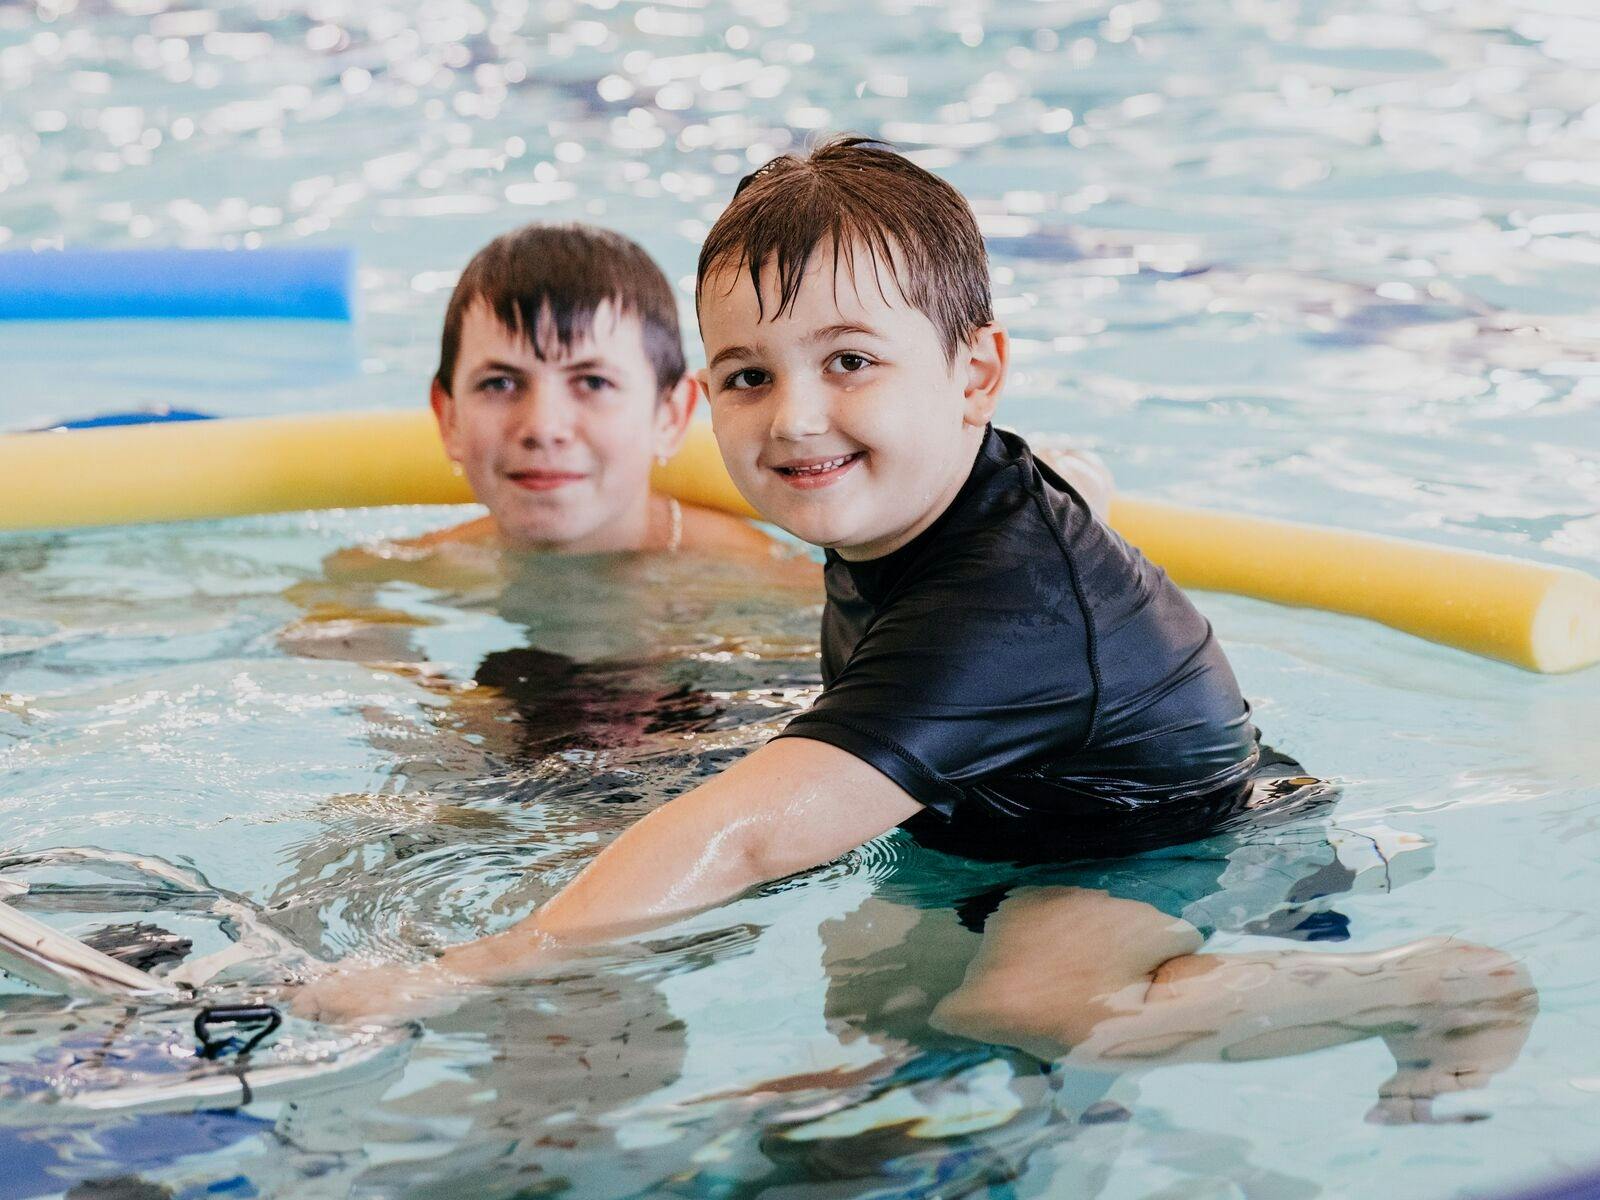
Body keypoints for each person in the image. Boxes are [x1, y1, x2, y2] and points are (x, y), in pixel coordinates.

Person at [292, 142, 1532, 1124]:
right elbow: (1049, 505)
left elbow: (743, 835)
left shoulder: (994, 609)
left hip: (1163, 844)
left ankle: (1425, 984)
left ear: (973, 376)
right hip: (1003, 825)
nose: (795, 417)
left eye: (848, 361)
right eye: (749, 376)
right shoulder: (916, 502)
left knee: (1037, 1006)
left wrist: (473, 969)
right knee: (877, 997)